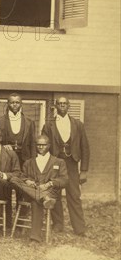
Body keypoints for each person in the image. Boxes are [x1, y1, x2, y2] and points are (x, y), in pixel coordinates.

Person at [41, 96, 90, 235]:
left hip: (72, 164)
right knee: (54, 193)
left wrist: (84, 170)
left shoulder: (78, 124)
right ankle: (58, 224)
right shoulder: (48, 125)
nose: (62, 106)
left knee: (74, 195)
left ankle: (79, 228)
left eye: (64, 103)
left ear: (68, 106)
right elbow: (43, 146)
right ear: (56, 106)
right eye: (59, 104)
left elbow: (85, 147)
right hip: (55, 165)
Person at [10, 135, 68, 242]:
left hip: (49, 192)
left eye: (43, 145)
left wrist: (50, 183)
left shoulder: (58, 162)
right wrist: (27, 181)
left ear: (49, 146)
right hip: (32, 191)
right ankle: (42, 197)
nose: (41, 147)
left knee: (36, 201)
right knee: (13, 179)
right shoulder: (29, 162)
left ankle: (35, 237)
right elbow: (22, 176)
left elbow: (64, 180)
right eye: (39, 145)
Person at [0, 93, 36, 167]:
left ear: (21, 104)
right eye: (12, 102)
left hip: (25, 159)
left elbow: (33, 143)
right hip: (7, 158)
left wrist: (33, 161)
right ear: (8, 104)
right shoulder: (0, 121)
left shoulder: (29, 122)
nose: (15, 104)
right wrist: (3, 146)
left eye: (17, 102)